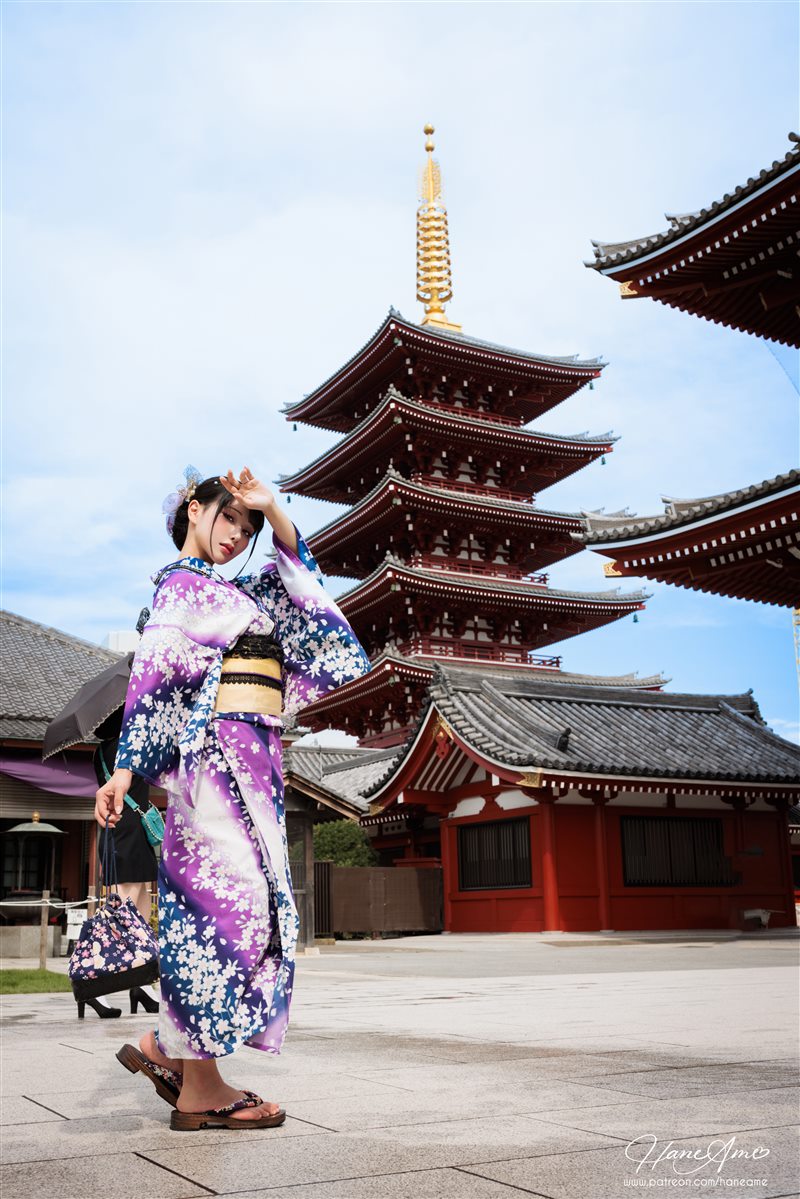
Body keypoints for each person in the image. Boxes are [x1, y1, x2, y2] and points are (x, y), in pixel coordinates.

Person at [94, 467, 371, 1131]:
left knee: (244, 913)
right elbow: (154, 679)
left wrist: (271, 509)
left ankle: (171, 1049)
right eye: (229, 518)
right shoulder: (180, 590)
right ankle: (200, 1085)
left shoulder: (236, 592)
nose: (237, 536)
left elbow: (303, 584)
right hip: (214, 769)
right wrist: (127, 771)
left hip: (255, 763)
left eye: (246, 530)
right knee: (223, 913)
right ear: (195, 508)